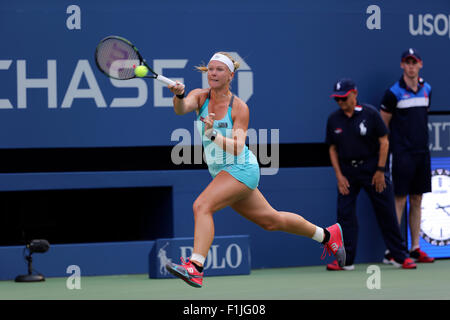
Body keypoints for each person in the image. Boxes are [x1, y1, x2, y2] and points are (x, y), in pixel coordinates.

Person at [164, 52, 346, 288]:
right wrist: (178, 95)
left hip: (241, 168)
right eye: (210, 69)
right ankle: (327, 235)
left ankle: (196, 267)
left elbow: (238, 147)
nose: (213, 73)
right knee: (271, 220)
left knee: (201, 205)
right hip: (222, 172)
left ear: (231, 75)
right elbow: (181, 108)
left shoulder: (239, 107)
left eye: (219, 69)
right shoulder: (199, 97)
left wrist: (212, 134)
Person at [325, 78, 416, 271]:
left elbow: (384, 141)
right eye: (337, 100)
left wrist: (380, 171)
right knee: (345, 216)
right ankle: (346, 260)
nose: (340, 102)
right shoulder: (334, 119)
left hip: (373, 170)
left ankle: (400, 256)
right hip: (347, 172)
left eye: (344, 98)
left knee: (387, 213)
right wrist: (339, 176)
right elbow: (332, 149)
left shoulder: (370, 114)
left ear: (354, 94)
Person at [379, 48, 435, 263]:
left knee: (417, 198)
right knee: (399, 199)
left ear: (420, 64)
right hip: (401, 154)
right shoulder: (393, 92)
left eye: (414, 62)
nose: (411, 66)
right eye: (407, 62)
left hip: (422, 153)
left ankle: (414, 248)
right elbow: (383, 125)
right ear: (402, 65)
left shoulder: (427, 88)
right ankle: (392, 251)